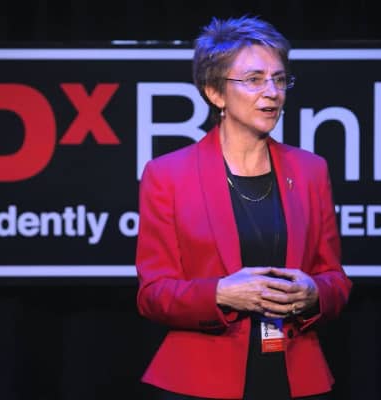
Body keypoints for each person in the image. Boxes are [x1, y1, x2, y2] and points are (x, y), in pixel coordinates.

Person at [135, 15, 352, 400]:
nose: (272, 92)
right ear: (215, 93)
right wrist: (220, 292)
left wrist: (314, 292)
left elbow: (335, 280)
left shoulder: (310, 171)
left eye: (279, 79)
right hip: (199, 381)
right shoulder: (168, 174)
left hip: (295, 377)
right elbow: (153, 294)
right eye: (254, 79)